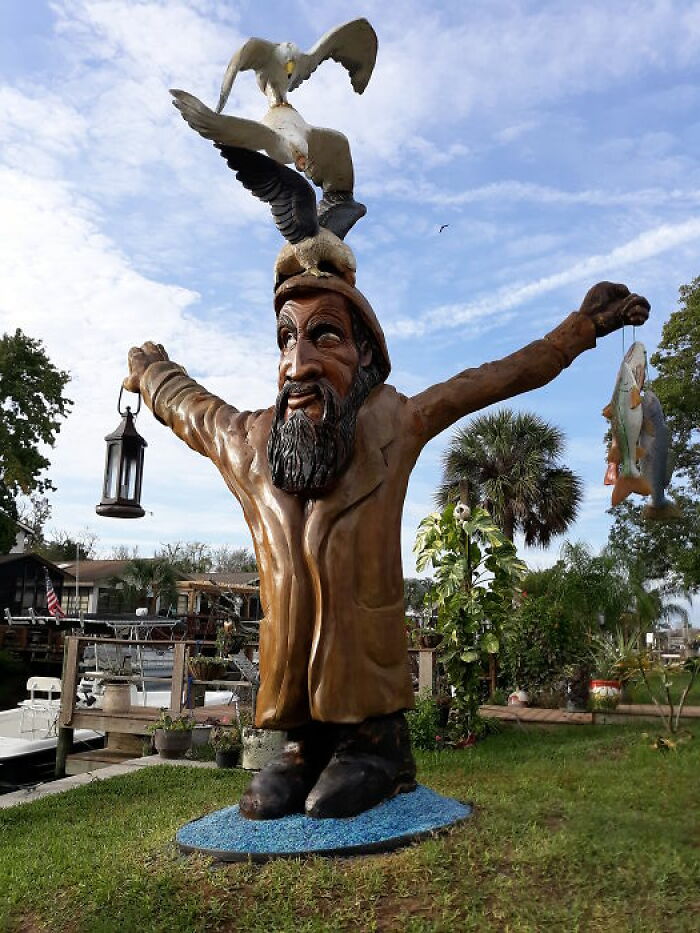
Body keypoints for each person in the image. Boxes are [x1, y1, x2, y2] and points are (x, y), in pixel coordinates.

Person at [124, 274, 649, 819]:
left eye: (323, 336)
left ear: (364, 353)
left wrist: (581, 328)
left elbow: (491, 379)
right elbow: (193, 410)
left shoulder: (394, 425)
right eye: (285, 340)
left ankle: (379, 749)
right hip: (293, 682)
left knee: (336, 794)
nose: (297, 362)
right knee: (271, 797)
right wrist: (153, 374)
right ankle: (305, 746)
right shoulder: (251, 444)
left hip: (368, 677)